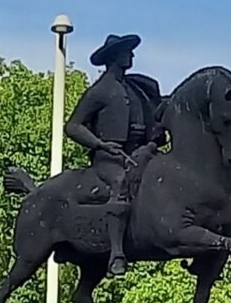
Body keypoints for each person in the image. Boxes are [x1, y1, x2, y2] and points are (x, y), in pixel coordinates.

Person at [64, 33, 165, 277]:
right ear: (113, 57)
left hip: (140, 153)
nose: (131, 55)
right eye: (126, 51)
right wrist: (100, 144)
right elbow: (73, 126)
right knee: (120, 181)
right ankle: (116, 253)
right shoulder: (100, 91)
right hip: (109, 158)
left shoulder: (137, 88)